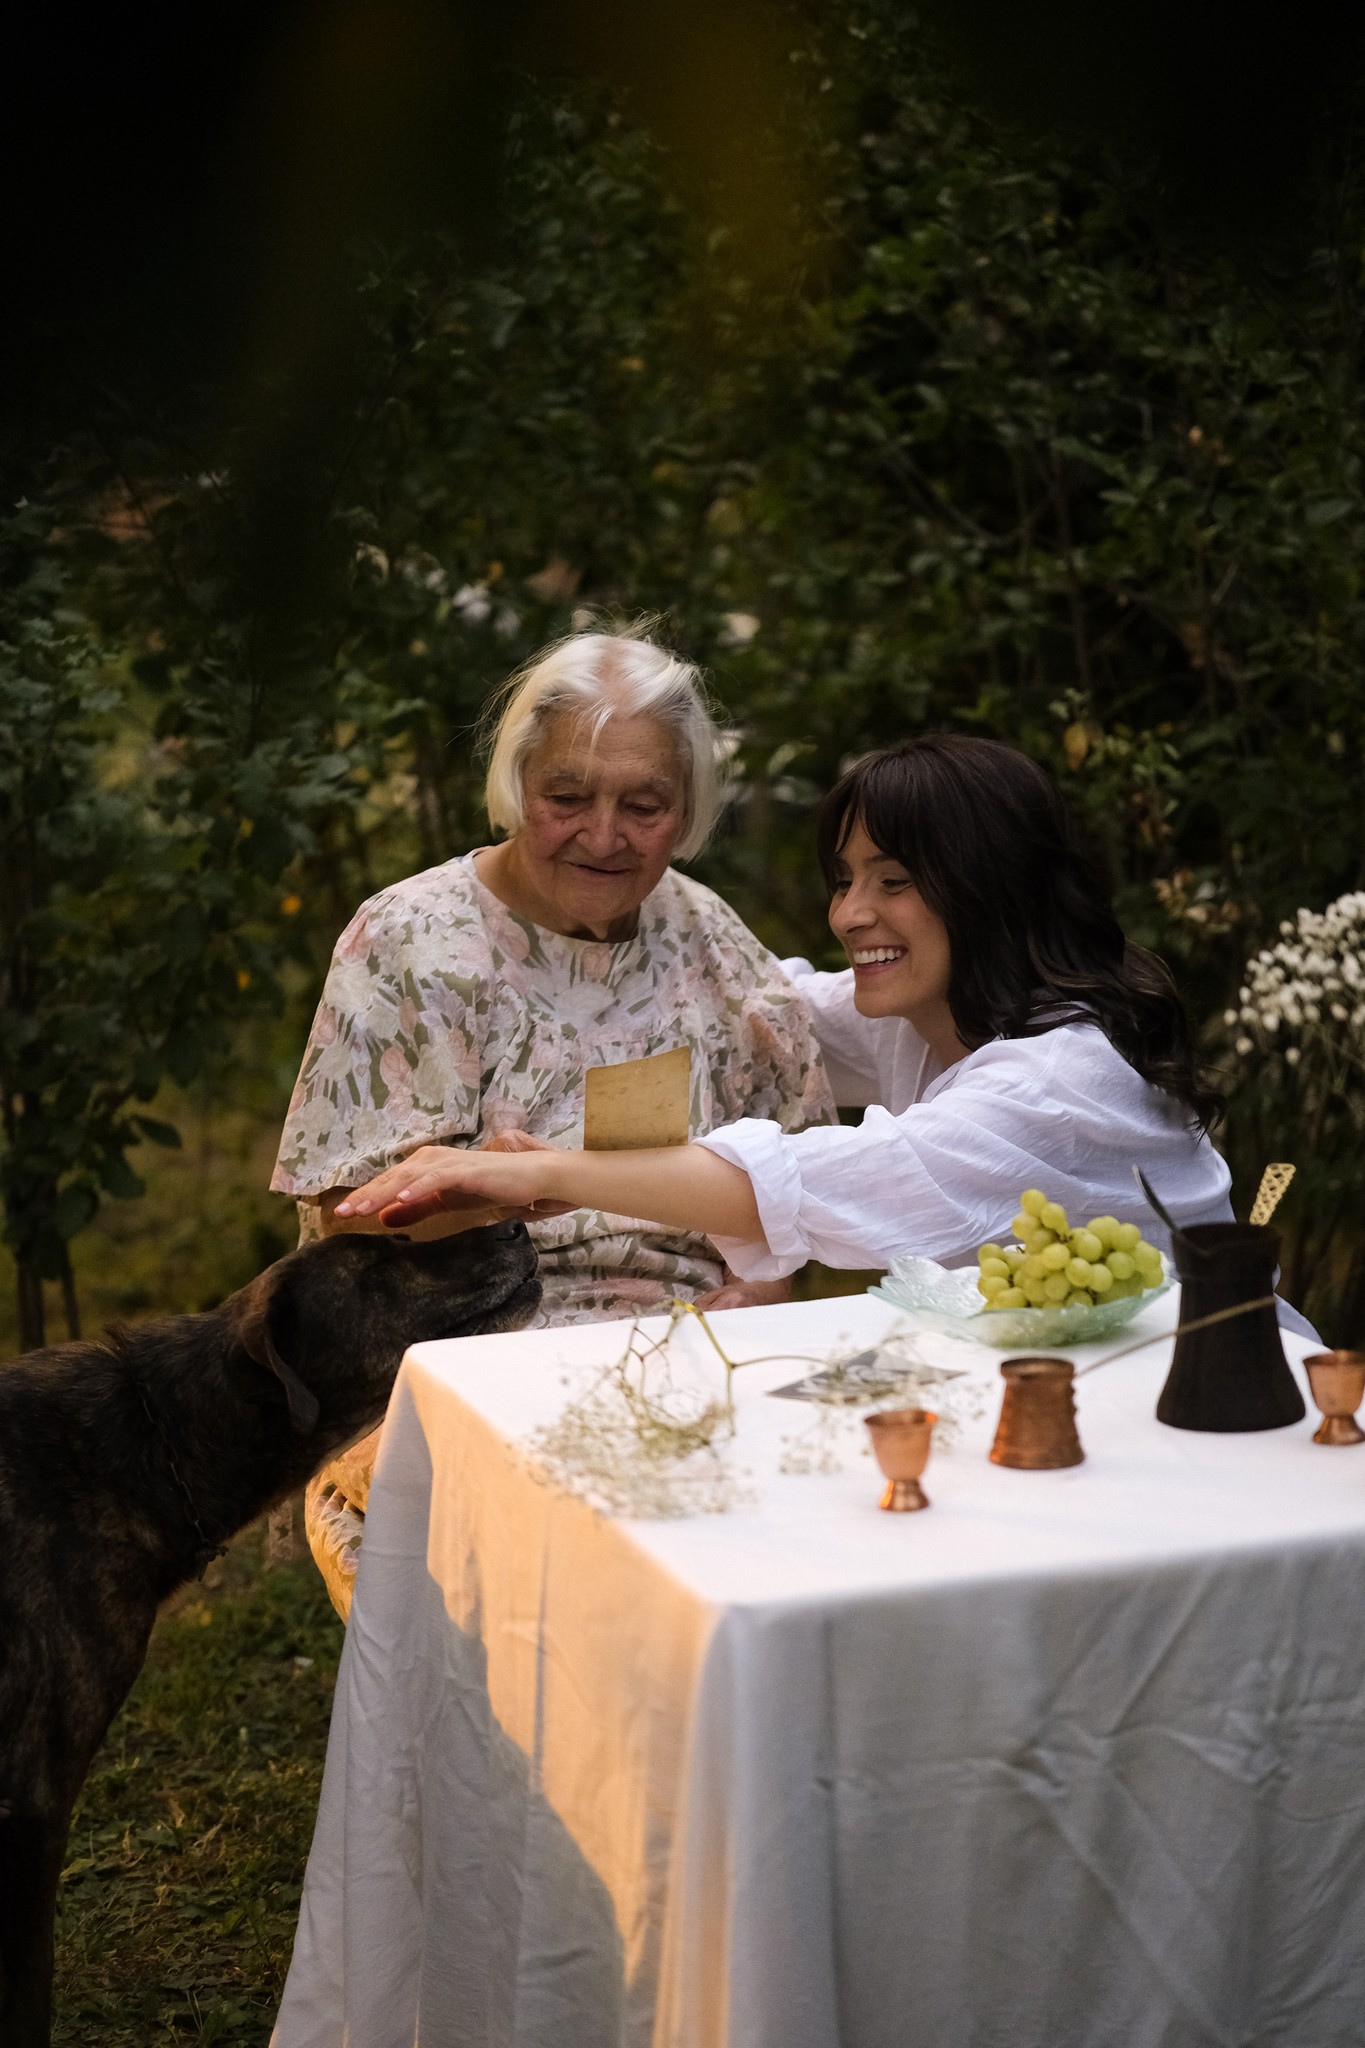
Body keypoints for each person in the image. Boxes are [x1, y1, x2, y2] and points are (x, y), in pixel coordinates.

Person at [272, 627, 834, 1613]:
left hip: (693, 1352)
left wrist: (764, 1287)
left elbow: (795, 1173)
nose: (603, 836)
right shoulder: (413, 941)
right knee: (575, 1582)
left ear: (685, 810)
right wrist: (493, 1194)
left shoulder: (709, 942)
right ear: (517, 784)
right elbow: (342, 1221)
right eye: (567, 797)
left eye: (643, 806)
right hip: (452, 1358)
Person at [334, 734, 1259, 1293]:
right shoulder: (934, 1012)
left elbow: (802, 1181)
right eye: (844, 879)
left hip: (1193, 1402)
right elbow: (748, 1005)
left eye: (893, 882)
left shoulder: (1058, 1081)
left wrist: (538, 1172)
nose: (849, 914)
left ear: (990, 889)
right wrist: (548, 937)